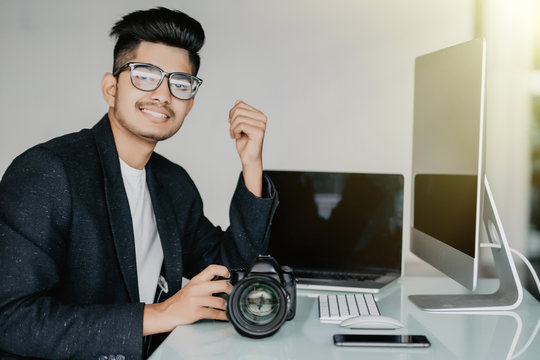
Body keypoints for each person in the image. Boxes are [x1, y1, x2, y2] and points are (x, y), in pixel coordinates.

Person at [0, 7, 278, 359]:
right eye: (145, 75)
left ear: (189, 103)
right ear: (111, 88)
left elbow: (233, 271)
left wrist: (252, 164)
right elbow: (10, 318)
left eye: (179, 83)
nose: (163, 94)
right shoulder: (49, 172)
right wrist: (163, 313)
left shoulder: (172, 183)